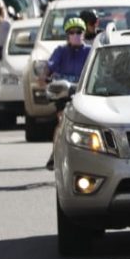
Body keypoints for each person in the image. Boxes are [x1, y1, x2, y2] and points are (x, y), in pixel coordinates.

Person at [43, 17, 92, 170]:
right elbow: (49, 67)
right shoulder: (60, 51)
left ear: (84, 33)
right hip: (63, 94)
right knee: (61, 122)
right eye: (72, 32)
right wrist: (45, 76)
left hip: (83, 94)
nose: (76, 35)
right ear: (67, 35)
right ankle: (54, 154)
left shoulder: (90, 52)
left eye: (79, 32)